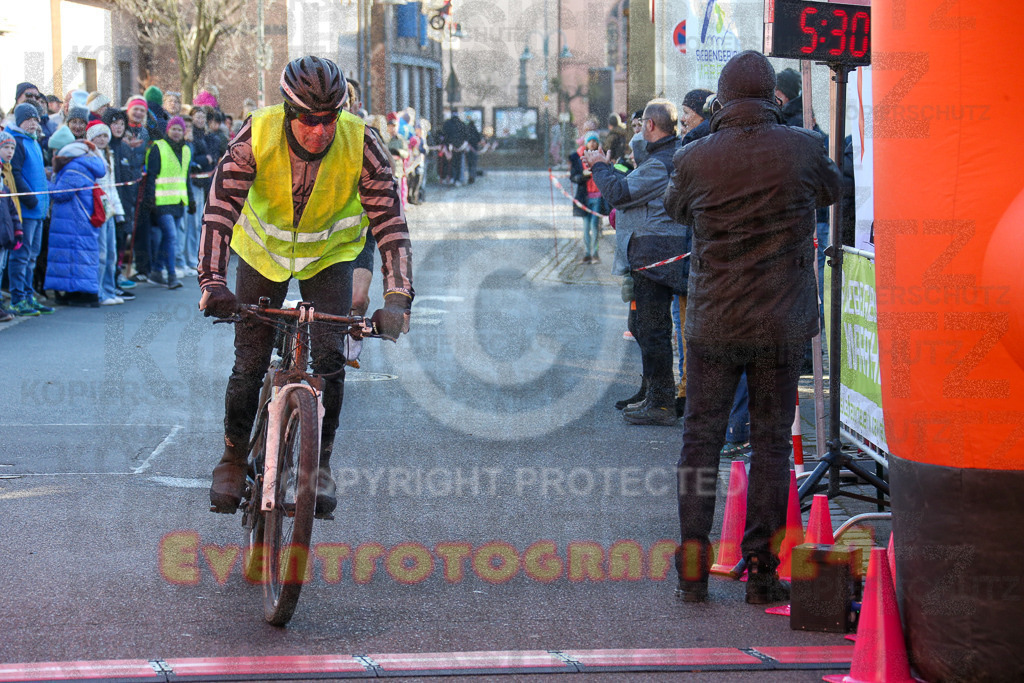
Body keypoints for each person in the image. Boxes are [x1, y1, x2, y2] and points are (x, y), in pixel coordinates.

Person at [198, 55, 413, 516]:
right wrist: (212, 281)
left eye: (329, 119)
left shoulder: (362, 142)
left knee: (331, 357)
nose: (320, 131)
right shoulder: (255, 135)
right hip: (261, 255)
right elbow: (219, 211)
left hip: (327, 257)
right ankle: (234, 456)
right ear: (289, 111)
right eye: (309, 121)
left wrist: (397, 297)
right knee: (249, 360)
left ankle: (320, 465)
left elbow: (391, 224)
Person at [665, 50, 841, 604]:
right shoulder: (804, 147)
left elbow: (676, 210)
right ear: (772, 97)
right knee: (770, 443)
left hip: (715, 319)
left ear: (721, 98)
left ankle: (693, 569)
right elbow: (832, 191)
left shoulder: (695, 157)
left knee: (700, 438)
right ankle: (763, 570)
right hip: (781, 320)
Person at [586, 99, 687, 425]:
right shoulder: (662, 158)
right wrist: (611, 167)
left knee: (654, 328)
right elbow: (629, 180)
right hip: (652, 252)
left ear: (650, 126)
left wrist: (600, 166)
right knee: (645, 326)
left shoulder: (662, 163)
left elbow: (619, 193)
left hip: (656, 255)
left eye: (642, 122)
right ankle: (651, 392)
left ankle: (660, 402)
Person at [46, 140, 107, 307]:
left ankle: (86, 295)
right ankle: (75, 292)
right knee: (78, 256)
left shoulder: (75, 167)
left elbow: (61, 194)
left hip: (74, 221)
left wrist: (44, 184)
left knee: (76, 256)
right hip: (78, 221)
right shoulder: (85, 164)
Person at [6, 103, 53, 316]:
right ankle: (17, 298)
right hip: (27, 210)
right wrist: (31, 199)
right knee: (22, 256)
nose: (33, 123)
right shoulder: (17, 141)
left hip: (39, 210)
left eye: (35, 119)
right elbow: (15, 174)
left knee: (32, 255)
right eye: (28, 119)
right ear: (19, 121)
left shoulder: (33, 141)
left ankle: (28, 294)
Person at [142, 116, 194, 289]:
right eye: (174, 129)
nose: (177, 132)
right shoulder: (159, 147)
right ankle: (171, 275)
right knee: (171, 236)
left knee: (168, 238)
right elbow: (152, 176)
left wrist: (191, 199)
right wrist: (150, 199)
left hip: (178, 201)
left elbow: (185, 177)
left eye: (180, 129)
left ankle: (157, 271)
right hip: (162, 201)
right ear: (168, 130)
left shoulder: (186, 150)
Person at [86, 121, 127, 305]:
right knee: (101, 252)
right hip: (98, 209)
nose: (102, 139)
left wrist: (119, 211)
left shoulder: (109, 156)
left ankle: (110, 290)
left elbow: (112, 187)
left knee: (111, 252)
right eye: (98, 136)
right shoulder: (90, 155)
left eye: (105, 136)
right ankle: (100, 292)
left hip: (109, 208)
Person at [568, 132, 607, 264]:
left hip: (597, 196)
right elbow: (573, 176)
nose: (592, 143)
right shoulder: (578, 157)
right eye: (590, 141)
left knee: (594, 225)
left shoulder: (601, 156)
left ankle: (595, 253)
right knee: (585, 226)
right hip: (584, 196)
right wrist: (583, 175)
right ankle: (587, 253)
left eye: (595, 141)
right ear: (586, 143)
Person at [0, 130, 22, 322]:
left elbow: (11, 207)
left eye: (12, 147)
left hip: (4, 234)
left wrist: (17, 230)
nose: (10, 151)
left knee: (0, 269)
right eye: (5, 147)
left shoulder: (5, 174)